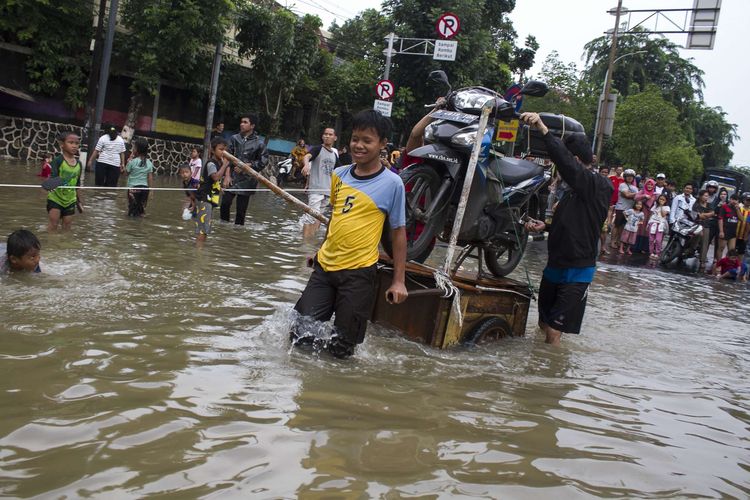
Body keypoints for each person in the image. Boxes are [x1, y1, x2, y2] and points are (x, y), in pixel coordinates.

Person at [290, 109, 408, 358]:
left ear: (382, 144)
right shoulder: (339, 175)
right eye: (355, 139)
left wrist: (399, 281)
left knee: (342, 349)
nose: (359, 145)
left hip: (359, 275)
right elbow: (336, 218)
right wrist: (320, 250)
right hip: (325, 269)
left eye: (367, 140)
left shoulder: (392, 183)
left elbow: (398, 233)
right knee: (299, 335)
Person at [520, 112, 613, 345]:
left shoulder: (597, 185)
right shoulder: (572, 193)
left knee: (553, 329)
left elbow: (566, 163)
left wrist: (542, 128)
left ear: (576, 159)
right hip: (555, 265)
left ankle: (551, 376)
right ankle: (542, 364)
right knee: (542, 323)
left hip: (578, 271)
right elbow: (571, 221)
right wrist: (546, 226)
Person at [221, 113, 268, 225]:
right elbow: (227, 157)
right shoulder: (234, 139)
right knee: (225, 204)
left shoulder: (259, 143)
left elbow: (263, 162)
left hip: (247, 180)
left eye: (245, 122)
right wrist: (227, 176)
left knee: (241, 212)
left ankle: (236, 236)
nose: (242, 124)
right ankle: (223, 229)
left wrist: (248, 166)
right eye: (241, 122)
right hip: (232, 177)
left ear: (252, 126)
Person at [301, 127, 340, 239]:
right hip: (316, 190)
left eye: (330, 134)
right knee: (311, 216)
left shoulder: (334, 155)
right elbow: (307, 156)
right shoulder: (318, 149)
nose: (327, 136)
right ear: (322, 136)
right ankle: (305, 243)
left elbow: (340, 171)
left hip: (327, 191)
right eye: (325, 134)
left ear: (335, 138)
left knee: (319, 217)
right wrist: (306, 164)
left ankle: (310, 239)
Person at [47, 131, 83, 232]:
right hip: (55, 199)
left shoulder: (79, 164)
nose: (74, 146)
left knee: (67, 227)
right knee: (53, 225)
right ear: (62, 145)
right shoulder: (58, 161)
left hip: (70, 200)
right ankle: (51, 246)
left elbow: (77, 184)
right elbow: (53, 179)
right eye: (71, 143)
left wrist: (79, 202)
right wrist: (49, 185)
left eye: (76, 143)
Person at [196, 137, 230, 243]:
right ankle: (198, 252)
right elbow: (215, 177)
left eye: (225, 150)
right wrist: (225, 165)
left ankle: (199, 250)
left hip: (209, 199)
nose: (223, 152)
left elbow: (213, 182)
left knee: (205, 228)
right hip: (204, 199)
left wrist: (219, 189)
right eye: (220, 149)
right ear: (212, 150)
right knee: (203, 229)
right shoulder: (211, 163)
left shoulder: (218, 163)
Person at [123, 137, 154, 217]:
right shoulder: (149, 163)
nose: (132, 148)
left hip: (133, 189)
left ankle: (132, 226)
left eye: (134, 147)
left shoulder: (132, 162)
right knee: (141, 211)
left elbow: (125, 174)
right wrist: (151, 190)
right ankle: (140, 226)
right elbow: (150, 178)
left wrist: (128, 162)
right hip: (145, 189)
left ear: (136, 149)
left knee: (132, 211)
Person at [611, 169, 637, 249]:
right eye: (628, 176)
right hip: (621, 208)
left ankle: (619, 241)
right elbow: (627, 195)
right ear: (625, 177)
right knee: (617, 225)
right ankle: (612, 241)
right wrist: (637, 194)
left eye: (631, 176)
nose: (629, 178)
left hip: (630, 209)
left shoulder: (635, 187)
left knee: (623, 227)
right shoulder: (622, 185)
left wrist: (633, 194)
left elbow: (634, 197)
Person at [691, 189, 715, 273]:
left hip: (706, 226)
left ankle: (702, 261)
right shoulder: (696, 205)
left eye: (707, 196)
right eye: (705, 196)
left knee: (705, 243)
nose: (706, 197)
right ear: (700, 196)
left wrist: (704, 215)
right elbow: (698, 216)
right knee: (696, 237)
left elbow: (712, 213)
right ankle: (690, 250)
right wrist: (707, 215)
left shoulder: (709, 205)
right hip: (696, 225)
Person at [632, 178, 657, 253]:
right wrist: (644, 195)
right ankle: (635, 247)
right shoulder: (642, 191)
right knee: (639, 228)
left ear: (653, 186)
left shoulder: (655, 194)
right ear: (645, 185)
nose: (649, 186)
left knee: (647, 229)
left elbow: (656, 203)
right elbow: (635, 198)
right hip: (641, 212)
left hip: (650, 213)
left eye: (651, 185)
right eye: (648, 184)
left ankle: (644, 248)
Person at [716, 193, 740, 259]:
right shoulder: (724, 206)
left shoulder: (737, 208)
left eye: (736, 200)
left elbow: (742, 219)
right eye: (733, 199)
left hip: (733, 232)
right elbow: (720, 219)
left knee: (731, 251)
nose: (734, 201)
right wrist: (721, 231)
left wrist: (737, 209)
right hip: (724, 230)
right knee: (721, 248)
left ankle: (727, 264)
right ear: (730, 199)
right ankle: (719, 264)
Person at [648, 193, 670, 258]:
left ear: (666, 200)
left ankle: (657, 253)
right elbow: (651, 214)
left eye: (663, 199)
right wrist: (648, 223)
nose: (661, 200)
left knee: (658, 240)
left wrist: (661, 206)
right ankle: (651, 252)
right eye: (660, 199)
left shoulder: (667, 207)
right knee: (651, 239)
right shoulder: (655, 206)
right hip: (653, 223)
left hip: (660, 224)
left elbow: (663, 215)